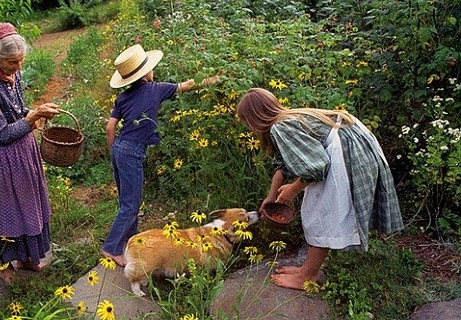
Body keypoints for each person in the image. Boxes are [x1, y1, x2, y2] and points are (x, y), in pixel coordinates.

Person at [236, 87, 404, 290]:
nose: (249, 130)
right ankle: (308, 269)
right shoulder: (289, 118)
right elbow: (284, 166)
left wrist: (293, 190)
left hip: (344, 154)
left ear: (254, 119)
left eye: (247, 124)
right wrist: (271, 198)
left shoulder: (280, 128)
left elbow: (317, 167)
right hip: (353, 146)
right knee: (320, 210)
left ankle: (307, 275)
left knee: (320, 213)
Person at [103, 44, 217, 267]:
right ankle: (111, 248)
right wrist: (212, 79)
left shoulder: (122, 97)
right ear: (146, 72)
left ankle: (130, 238)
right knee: (131, 204)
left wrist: (114, 152)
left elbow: (109, 128)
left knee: (126, 199)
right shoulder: (155, 89)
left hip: (119, 148)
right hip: (132, 151)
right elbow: (187, 86)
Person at [0, 22, 60, 284]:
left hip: (24, 149)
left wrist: (35, 111)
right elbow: (1, 134)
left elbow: (18, 110)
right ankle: (4, 264)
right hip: (1, 156)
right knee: (4, 210)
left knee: (28, 205)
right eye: (12, 63)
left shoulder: (13, 75)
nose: (18, 68)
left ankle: (28, 256)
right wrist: (33, 118)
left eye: (20, 61)